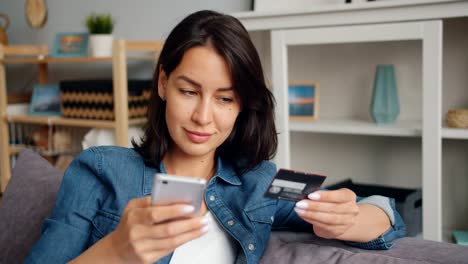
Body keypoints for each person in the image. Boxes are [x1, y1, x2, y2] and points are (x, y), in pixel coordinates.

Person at [26, 10, 406, 264]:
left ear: (242, 105)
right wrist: (115, 251)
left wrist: (352, 216)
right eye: (188, 91)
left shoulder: (262, 183)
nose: (203, 117)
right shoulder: (100, 169)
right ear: (162, 83)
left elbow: (385, 213)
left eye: (224, 98)